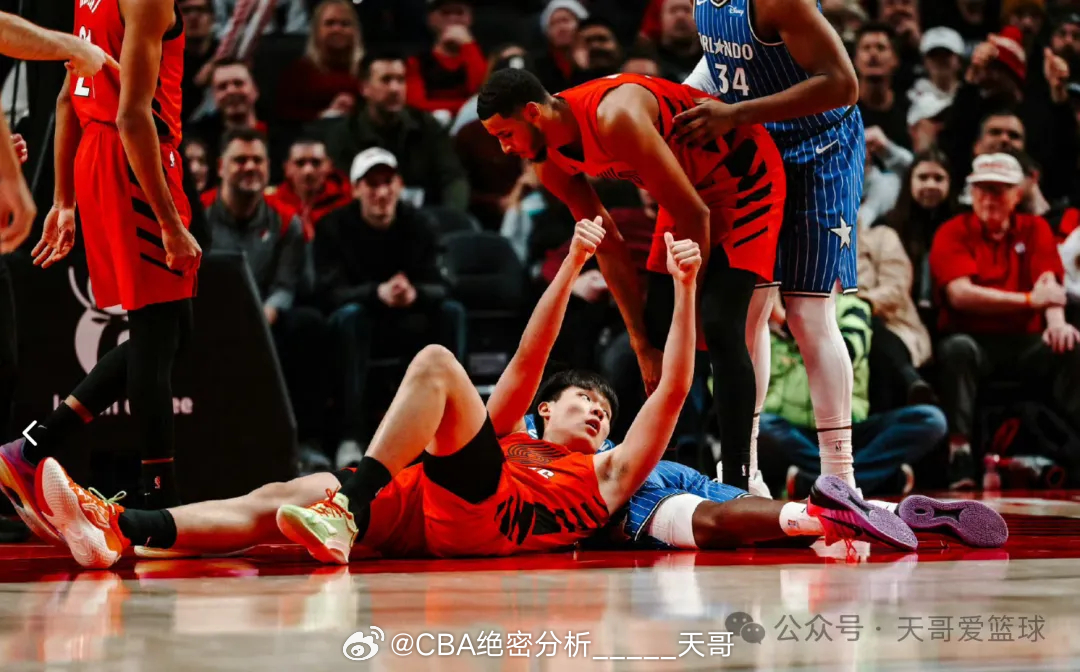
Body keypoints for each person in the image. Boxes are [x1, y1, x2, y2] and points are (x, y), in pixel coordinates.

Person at [37, 223, 916, 568]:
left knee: (432, 363)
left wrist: (685, 291)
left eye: (604, 411)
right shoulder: (513, 427)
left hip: (488, 515)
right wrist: (571, 264)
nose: (598, 411)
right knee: (282, 495)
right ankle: (124, 529)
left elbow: (677, 386)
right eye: (585, 404)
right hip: (428, 516)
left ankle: (349, 505)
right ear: (542, 416)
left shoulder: (609, 475)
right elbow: (530, 360)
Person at [477, 69, 786, 494]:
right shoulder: (549, 165)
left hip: (743, 178)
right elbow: (608, 246)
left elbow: (696, 216)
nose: (504, 148)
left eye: (505, 134)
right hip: (686, 187)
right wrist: (642, 343)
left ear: (533, 113)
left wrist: (688, 309)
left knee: (716, 325)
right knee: (655, 335)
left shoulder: (614, 117)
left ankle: (737, 482)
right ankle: (666, 477)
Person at [0, 0, 203, 545]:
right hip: (134, 157)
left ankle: (32, 448)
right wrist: (169, 223)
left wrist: (64, 200)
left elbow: (70, 96)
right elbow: (133, 116)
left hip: (99, 155)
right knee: (158, 334)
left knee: (170, 332)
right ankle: (157, 498)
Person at [678, 0, 865, 496]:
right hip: (757, 141)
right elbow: (724, 62)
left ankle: (839, 478)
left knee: (807, 312)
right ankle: (745, 470)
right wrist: (678, 98)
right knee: (748, 311)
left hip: (822, 146)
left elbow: (843, 84)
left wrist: (735, 112)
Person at [930, 152, 1080, 489]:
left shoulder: (1035, 228)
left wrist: (1057, 324)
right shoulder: (952, 231)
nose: (989, 198)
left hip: (1024, 342)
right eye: (982, 189)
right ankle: (959, 453)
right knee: (957, 350)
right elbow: (960, 294)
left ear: (1017, 194)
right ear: (971, 192)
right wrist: (1027, 301)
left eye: (998, 190)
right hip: (972, 339)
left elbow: (1048, 284)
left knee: (1070, 344)